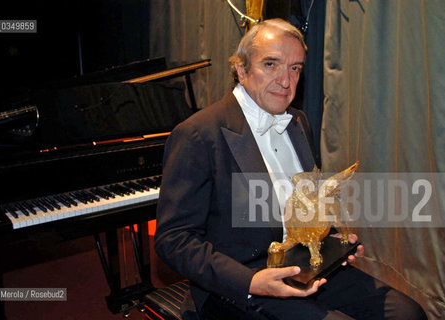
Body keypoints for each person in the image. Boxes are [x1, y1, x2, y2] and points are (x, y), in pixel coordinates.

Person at [155, 18, 426, 319]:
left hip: (304, 268)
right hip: (238, 286)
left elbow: (305, 203)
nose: (286, 81)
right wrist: (252, 282)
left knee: (408, 313)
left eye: (295, 67)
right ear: (241, 70)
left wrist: (334, 240)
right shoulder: (198, 134)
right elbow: (173, 240)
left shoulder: (298, 121)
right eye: (271, 64)